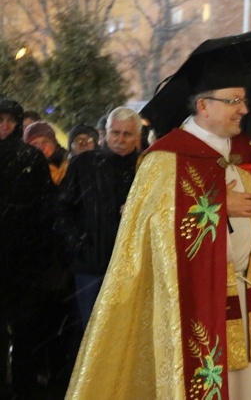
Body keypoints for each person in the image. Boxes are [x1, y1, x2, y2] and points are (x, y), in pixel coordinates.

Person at [65, 72, 251, 400]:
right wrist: (216, 206)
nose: (244, 110)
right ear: (204, 106)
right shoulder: (165, 158)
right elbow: (153, 230)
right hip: (199, 302)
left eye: (244, 101)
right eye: (234, 101)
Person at [56, 107, 141, 333]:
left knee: (126, 334)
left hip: (132, 266)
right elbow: (62, 208)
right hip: (90, 265)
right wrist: (79, 242)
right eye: (115, 133)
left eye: (127, 134)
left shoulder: (145, 167)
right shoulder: (84, 164)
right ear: (105, 133)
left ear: (137, 137)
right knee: (92, 332)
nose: (120, 139)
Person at [0, 99, 55, 399]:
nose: (3, 125)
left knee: (24, 329)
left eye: (9, 120)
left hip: (24, 256)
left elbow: (45, 206)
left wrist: (39, 247)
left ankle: (23, 386)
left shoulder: (31, 157)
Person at [23, 120, 69, 185]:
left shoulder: (70, 163)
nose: (41, 147)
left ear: (54, 143)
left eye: (46, 142)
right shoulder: (25, 172)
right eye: (35, 144)